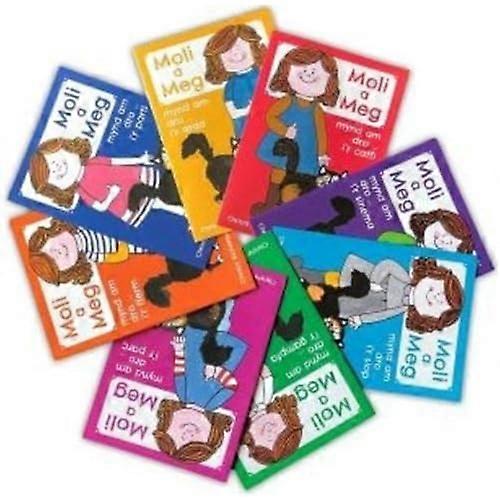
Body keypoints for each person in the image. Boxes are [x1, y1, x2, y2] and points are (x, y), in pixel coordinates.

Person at [204, 24, 266, 138]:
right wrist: (250, 109)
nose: (236, 53)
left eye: (240, 45)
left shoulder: (262, 74)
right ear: (217, 60)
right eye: (227, 50)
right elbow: (233, 113)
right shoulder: (230, 86)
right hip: (247, 131)